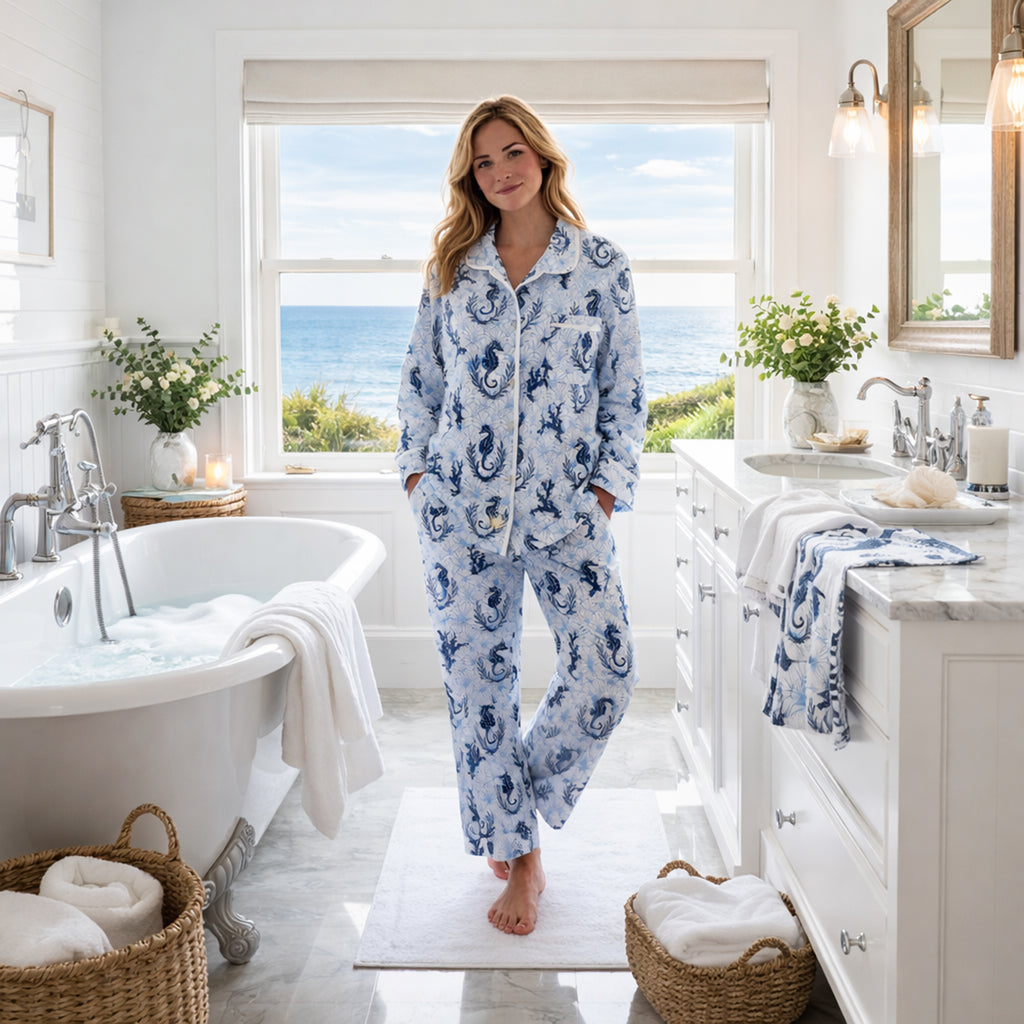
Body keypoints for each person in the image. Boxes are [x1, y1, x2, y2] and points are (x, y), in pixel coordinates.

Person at [395, 95, 647, 936]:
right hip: (458, 512)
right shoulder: (452, 270)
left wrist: (605, 489)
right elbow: (421, 383)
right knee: (478, 688)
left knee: (606, 674)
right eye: (482, 161)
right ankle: (522, 857)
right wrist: (417, 475)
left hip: (567, 512)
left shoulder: (600, 265)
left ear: (542, 157)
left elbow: (625, 391)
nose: (500, 171)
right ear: (471, 177)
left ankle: (514, 808)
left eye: (512, 153)